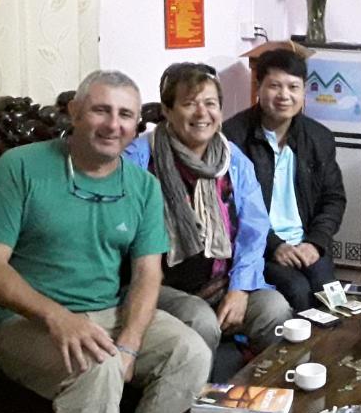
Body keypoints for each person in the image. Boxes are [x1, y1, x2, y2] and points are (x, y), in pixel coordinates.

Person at [0, 70, 212, 413]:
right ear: (74, 113)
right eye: (101, 110)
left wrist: (131, 345)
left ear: (137, 125)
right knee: (96, 369)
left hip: (106, 314)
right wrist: (57, 317)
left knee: (190, 352)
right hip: (25, 321)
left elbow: (148, 275)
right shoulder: (21, 167)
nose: (113, 124)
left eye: (125, 115)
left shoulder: (142, 185)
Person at [124, 62, 293, 359]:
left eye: (210, 103)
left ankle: (262, 385)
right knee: (200, 320)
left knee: (274, 310)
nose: (202, 113)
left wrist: (240, 289)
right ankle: (202, 388)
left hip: (221, 282)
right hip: (161, 287)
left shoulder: (232, 160)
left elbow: (254, 231)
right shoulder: (138, 160)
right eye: (189, 103)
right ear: (167, 110)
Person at [223, 48, 347, 312]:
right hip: (259, 248)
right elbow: (231, 208)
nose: (284, 95)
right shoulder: (233, 137)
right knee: (297, 289)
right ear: (258, 87)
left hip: (306, 242)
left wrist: (316, 242)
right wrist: (274, 245)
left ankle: (328, 341)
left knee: (329, 293)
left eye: (293, 87)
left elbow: (333, 199)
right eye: (275, 86)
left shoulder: (319, 138)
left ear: (304, 91)